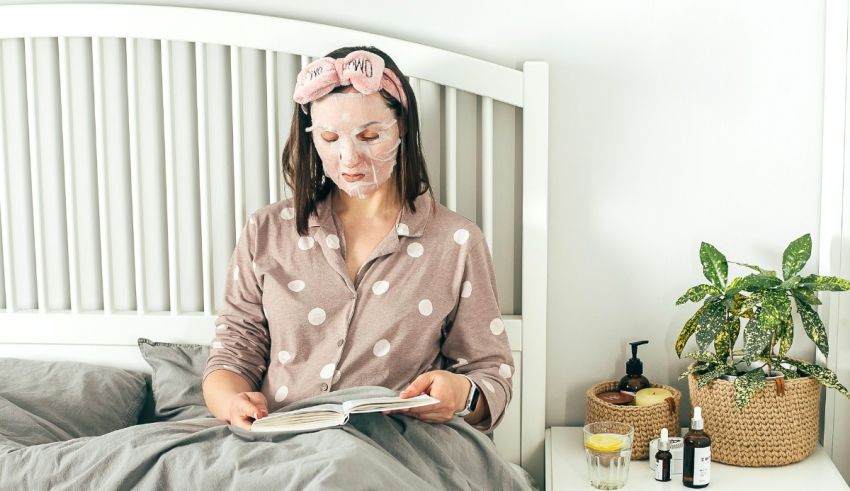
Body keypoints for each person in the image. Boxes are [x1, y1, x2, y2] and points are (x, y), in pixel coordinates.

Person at [201, 46, 514, 435]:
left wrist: (463, 393)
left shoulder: (457, 241)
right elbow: (233, 353)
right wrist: (233, 402)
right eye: (330, 137)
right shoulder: (266, 231)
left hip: (393, 447)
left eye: (369, 135)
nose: (349, 158)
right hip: (275, 444)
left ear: (403, 128)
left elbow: (490, 373)